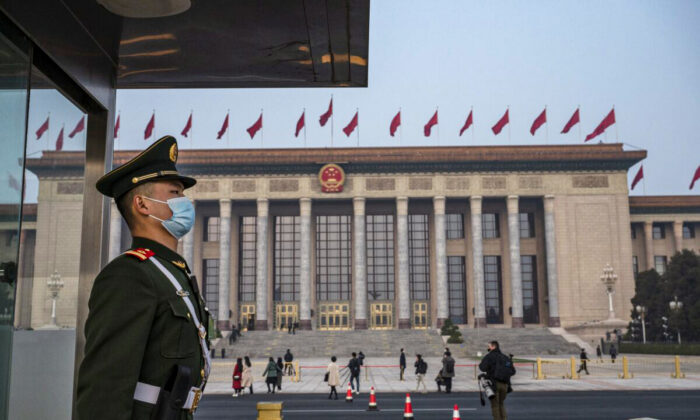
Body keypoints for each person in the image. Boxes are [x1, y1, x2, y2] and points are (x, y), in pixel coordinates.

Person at [76, 136, 210, 418]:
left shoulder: (171, 271)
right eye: (175, 193)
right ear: (142, 204)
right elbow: (105, 386)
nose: (184, 202)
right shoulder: (130, 275)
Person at [479, 341, 515, 420]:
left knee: (495, 405)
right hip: (505, 385)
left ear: (493, 347)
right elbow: (513, 371)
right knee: (501, 404)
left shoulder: (489, 356)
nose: (488, 348)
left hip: (494, 385)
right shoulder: (505, 357)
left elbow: (482, 367)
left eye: (489, 346)